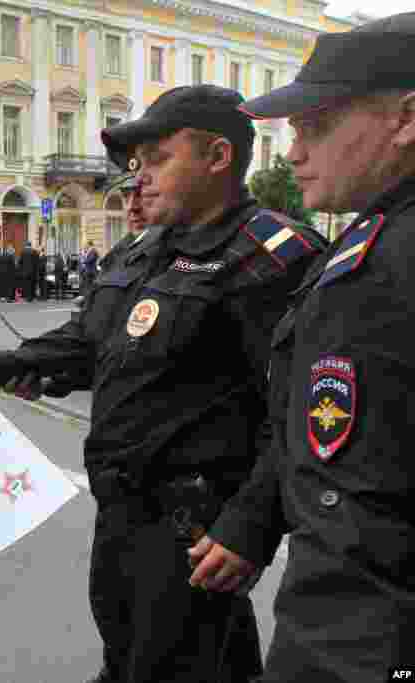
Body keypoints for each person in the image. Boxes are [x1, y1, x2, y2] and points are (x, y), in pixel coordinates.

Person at [0, 84, 327, 683]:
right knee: (137, 657)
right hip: (122, 513)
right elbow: (91, 339)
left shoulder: (272, 257)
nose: (141, 178)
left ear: (217, 157)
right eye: (137, 163)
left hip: (196, 527)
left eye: (158, 159)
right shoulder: (147, 248)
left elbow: (295, 412)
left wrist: (250, 525)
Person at [189, 13, 415, 683]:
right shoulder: (374, 239)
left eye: (316, 126)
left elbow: (364, 517)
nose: (292, 153)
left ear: (405, 118)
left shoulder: (392, 259)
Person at [98, 175, 149, 275]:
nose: (131, 207)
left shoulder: (177, 257)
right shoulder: (114, 256)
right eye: (126, 197)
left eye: (141, 195)